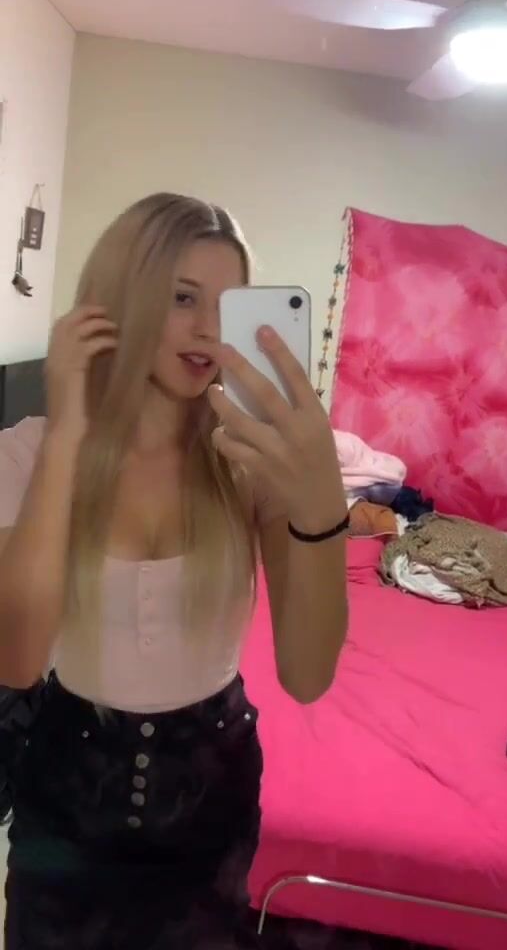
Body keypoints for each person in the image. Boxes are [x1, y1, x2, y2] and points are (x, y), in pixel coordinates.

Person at [0, 193, 349, 949]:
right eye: (183, 297)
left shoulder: (245, 463)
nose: (209, 329)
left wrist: (323, 498)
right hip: (66, 794)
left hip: (210, 796)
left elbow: (308, 675)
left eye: (229, 304)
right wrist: (67, 433)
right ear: (119, 297)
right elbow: (17, 657)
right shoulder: (28, 452)